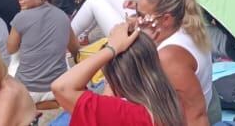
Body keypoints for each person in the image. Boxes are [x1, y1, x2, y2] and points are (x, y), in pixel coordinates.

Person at [51, 22, 185, 126]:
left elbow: (62, 87)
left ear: (118, 78)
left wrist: (112, 48)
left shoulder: (128, 114)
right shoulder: (165, 98)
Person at [130, 0, 214, 126]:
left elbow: (196, 116)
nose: (137, 20)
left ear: (166, 19)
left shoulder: (169, 58)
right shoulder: (187, 28)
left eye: (141, 16)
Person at [8, 0, 77, 100]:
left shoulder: (20, 17)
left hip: (28, 91)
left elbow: (11, 49)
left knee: (13, 58)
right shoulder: (62, 15)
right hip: (58, 87)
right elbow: (75, 49)